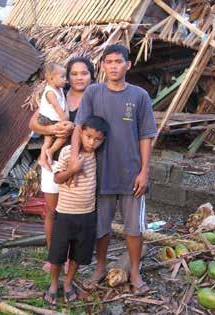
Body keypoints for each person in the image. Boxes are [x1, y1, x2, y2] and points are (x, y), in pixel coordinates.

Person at [71, 44, 157, 295]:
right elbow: (79, 127)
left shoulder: (139, 95)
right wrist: (75, 159)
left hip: (131, 174)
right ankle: (99, 267)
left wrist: (144, 171)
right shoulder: (93, 93)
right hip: (99, 172)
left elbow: (146, 135)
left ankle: (135, 272)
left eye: (118, 61)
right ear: (102, 66)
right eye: (108, 62)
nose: (113, 66)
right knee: (100, 227)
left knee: (134, 228)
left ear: (127, 65)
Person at [29, 57, 95, 272]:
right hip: (54, 161)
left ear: (91, 75)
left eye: (83, 73)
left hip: (80, 165)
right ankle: (54, 256)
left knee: (74, 214)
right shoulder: (58, 93)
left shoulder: (96, 98)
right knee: (52, 211)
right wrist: (51, 131)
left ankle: (71, 258)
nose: (78, 78)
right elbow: (33, 123)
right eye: (73, 74)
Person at [43, 116, 108, 305]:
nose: (92, 142)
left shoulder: (97, 155)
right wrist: (73, 169)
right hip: (65, 214)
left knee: (78, 255)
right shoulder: (68, 152)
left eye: (97, 139)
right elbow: (57, 179)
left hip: (87, 215)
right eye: (88, 136)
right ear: (80, 133)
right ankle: (54, 284)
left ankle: (69, 283)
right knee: (57, 254)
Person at [37, 63, 68, 171]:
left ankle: (43, 159)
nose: (66, 80)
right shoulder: (50, 92)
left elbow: (63, 103)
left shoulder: (59, 89)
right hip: (47, 119)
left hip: (51, 119)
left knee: (48, 141)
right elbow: (57, 106)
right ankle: (49, 152)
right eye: (63, 77)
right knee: (63, 135)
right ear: (51, 78)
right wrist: (64, 120)